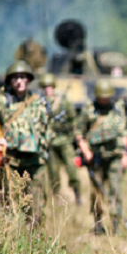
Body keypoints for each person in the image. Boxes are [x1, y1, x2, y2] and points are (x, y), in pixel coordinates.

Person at [0, 61, 51, 224]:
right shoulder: (0, 101)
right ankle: (5, 240)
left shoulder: (38, 102)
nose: (19, 81)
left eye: (23, 77)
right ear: (10, 81)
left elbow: (46, 128)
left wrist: (45, 147)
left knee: (36, 206)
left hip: (34, 161)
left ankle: (34, 243)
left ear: (29, 80)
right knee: (5, 204)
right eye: (15, 78)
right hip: (9, 160)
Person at [76, 79, 127, 234]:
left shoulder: (117, 109)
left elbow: (125, 133)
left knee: (116, 191)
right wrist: (86, 152)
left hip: (115, 156)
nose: (105, 100)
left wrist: (126, 154)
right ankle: (98, 225)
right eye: (102, 97)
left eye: (107, 97)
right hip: (96, 158)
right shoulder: (89, 110)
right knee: (97, 194)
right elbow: (78, 133)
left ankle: (116, 226)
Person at [39, 73, 82, 205]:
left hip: (64, 140)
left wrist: (77, 139)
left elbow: (73, 120)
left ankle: (78, 195)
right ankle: (56, 199)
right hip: (50, 143)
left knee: (72, 169)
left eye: (50, 86)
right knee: (53, 174)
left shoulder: (63, 101)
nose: (48, 89)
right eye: (45, 87)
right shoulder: (40, 103)